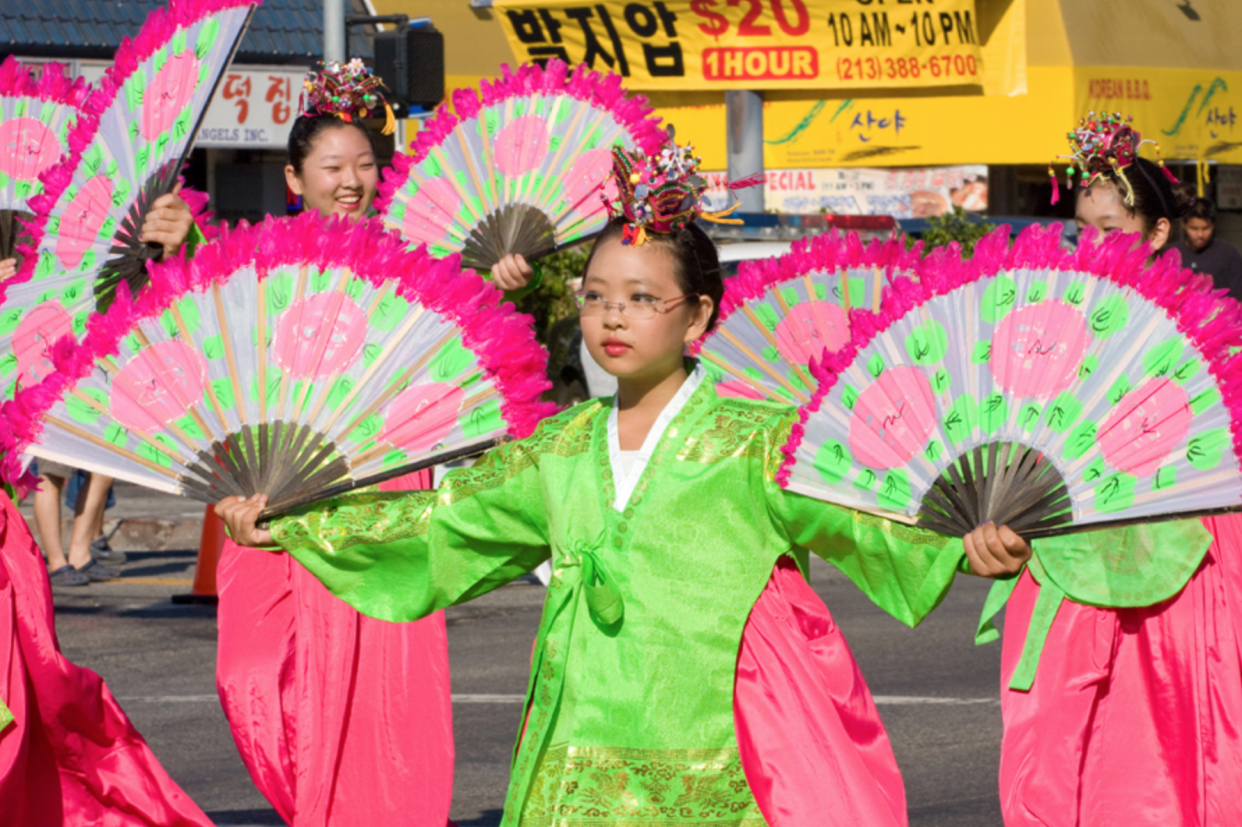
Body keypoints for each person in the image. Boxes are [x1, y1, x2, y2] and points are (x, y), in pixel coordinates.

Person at [220, 139, 1030, 827]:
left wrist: (966, 542)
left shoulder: (756, 445)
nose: (612, 317)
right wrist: (294, 523)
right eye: (598, 296)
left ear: (698, 317)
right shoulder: (561, 449)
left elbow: (866, 515)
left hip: (720, 765)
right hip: (580, 767)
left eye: (643, 299)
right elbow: (439, 524)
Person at [209, 60, 464, 827]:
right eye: (333, 166)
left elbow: (459, 360)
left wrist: (493, 277)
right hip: (272, 489)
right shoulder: (252, 270)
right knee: (249, 673)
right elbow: (218, 388)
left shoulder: (416, 267)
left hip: (380, 493)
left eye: (365, 166)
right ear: (295, 175)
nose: (351, 181)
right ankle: (324, 805)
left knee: (380, 687)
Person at [991, 116, 1242, 825]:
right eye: (1082, 228)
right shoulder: (1048, 336)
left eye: (1110, 227)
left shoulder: (1213, 338)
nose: (1090, 245)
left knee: (1163, 764)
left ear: (1158, 234)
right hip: (1066, 580)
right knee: (1056, 761)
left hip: (1184, 585)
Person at [18, 178, 197, 586]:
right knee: (52, 468)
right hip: (52, 362)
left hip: (100, 360)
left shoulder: (118, 234)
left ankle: (80, 551)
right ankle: (58, 559)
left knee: (102, 461)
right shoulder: (48, 237)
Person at [1173, 196, 1242, 300]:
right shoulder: (1171, 254)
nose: (1200, 234)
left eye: (1205, 228)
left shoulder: (1229, 255)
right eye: (1194, 228)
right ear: (1184, 224)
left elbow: (1238, 299)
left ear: (1213, 225)